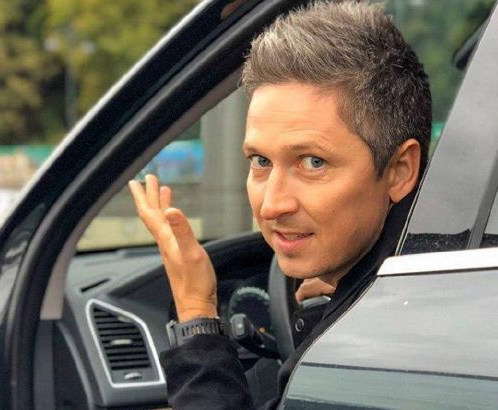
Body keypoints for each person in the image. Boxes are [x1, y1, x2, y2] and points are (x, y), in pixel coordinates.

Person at [128, 1, 431, 408]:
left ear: (399, 170)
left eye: (313, 162)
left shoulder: (378, 352)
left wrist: (196, 312)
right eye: (261, 161)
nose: (271, 206)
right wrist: (351, 286)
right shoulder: (421, 278)